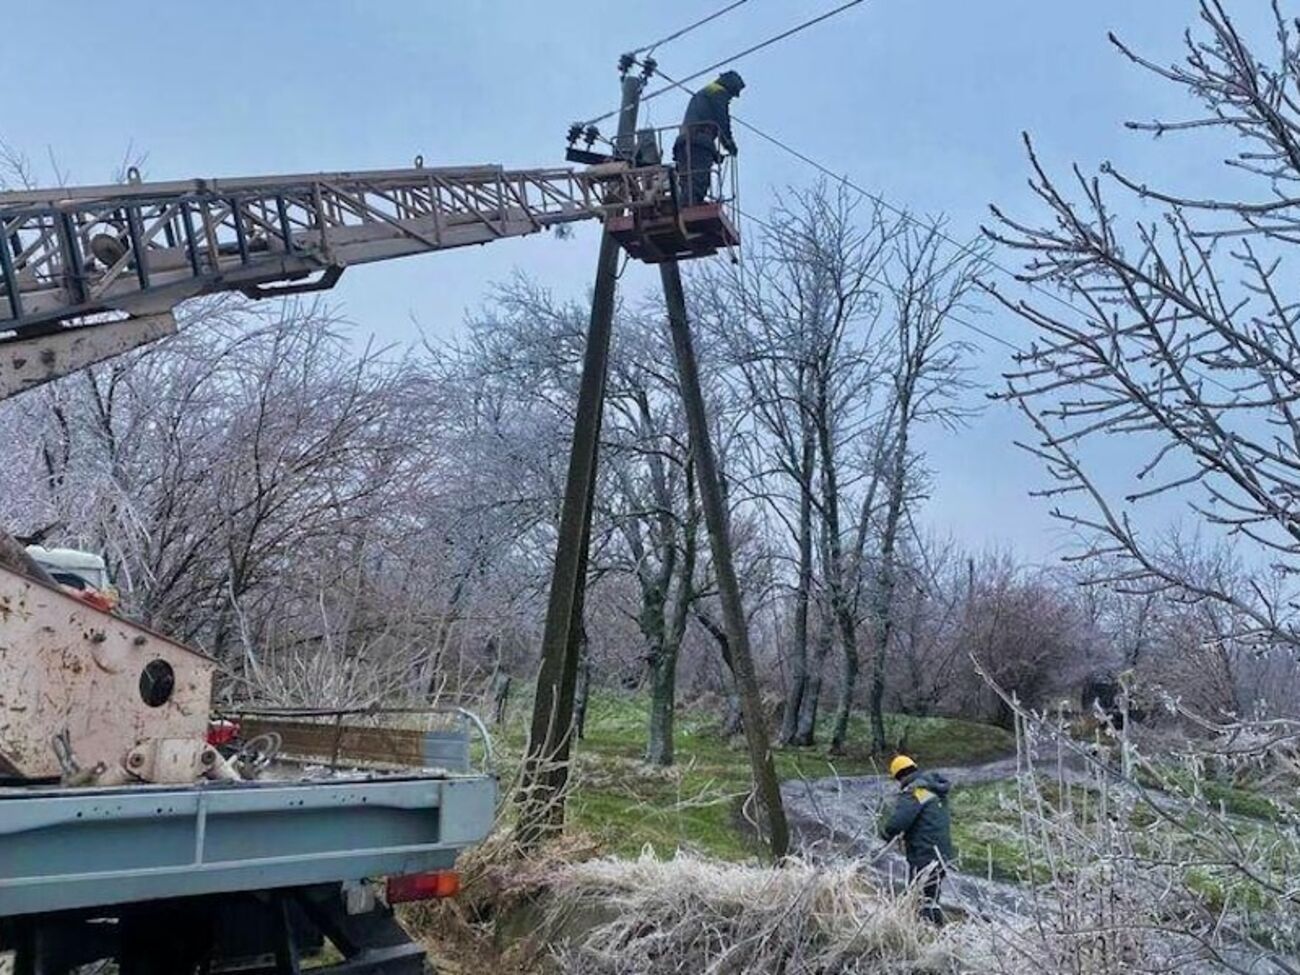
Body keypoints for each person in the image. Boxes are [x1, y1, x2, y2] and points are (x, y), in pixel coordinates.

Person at [879, 754, 956, 926]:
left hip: (924, 853)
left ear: (900, 776)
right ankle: (938, 933)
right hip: (941, 853)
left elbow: (900, 820)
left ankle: (922, 934)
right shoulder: (934, 789)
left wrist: (886, 833)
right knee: (931, 896)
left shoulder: (916, 791)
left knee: (918, 895)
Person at [673, 70, 745, 205]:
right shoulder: (718, 93)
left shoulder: (705, 93)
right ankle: (690, 207)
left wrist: (715, 153)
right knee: (698, 180)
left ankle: (686, 205)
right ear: (730, 86)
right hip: (699, 143)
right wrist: (729, 144)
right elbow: (722, 120)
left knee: (687, 180)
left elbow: (704, 118)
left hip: (684, 143)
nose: (730, 98)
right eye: (732, 94)